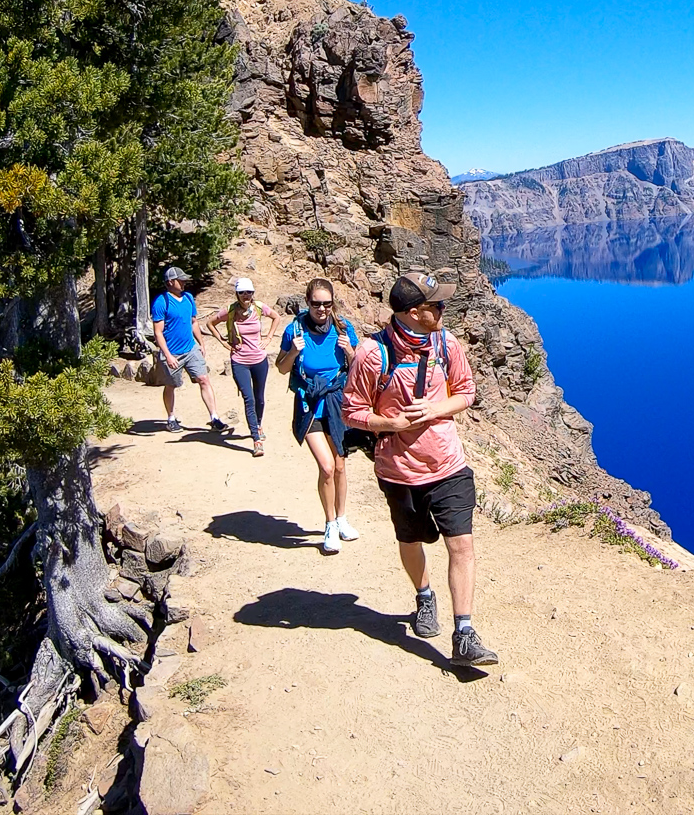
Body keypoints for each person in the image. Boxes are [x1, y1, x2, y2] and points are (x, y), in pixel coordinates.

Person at [342, 271, 498, 668]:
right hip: (399, 472)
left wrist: (434, 409)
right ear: (414, 313)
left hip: (448, 464)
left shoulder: (447, 344)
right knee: (411, 541)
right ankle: (424, 596)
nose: (444, 309)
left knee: (461, 544)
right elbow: (352, 411)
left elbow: (465, 392)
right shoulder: (372, 355)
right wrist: (390, 424)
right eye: (437, 305)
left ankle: (464, 633)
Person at [275, 277, 361, 554]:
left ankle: (342, 517)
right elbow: (281, 368)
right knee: (326, 467)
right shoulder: (295, 330)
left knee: (339, 466)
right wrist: (293, 351)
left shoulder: (343, 328)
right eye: (316, 304)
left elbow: (359, 366)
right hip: (309, 404)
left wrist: (349, 351)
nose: (322, 309)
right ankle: (330, 524)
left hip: (337, 402)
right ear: (307, 302)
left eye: (327, 303)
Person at [204, 278, 279, 456]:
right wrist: (223, 342)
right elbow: (209, 323)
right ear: (237, 294)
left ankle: (258, 425)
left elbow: (276, 317)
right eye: (242, 293)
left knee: (259, 397)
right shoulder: (230, 312)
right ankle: (256, 439)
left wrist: (268, 338)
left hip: (259, 360)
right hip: (239, 361)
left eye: (249, 292)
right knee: (249, 399)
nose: (246, 296)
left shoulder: (259, 308)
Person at [152, 266, 230, 434]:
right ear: (170, 282)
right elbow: (158, 332)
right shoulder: (161, 302)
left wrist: (201, 343)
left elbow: (194, 321)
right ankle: (171, 418)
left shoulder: (188, 298)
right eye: (181, 280)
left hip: (191, 349)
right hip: (172, 353)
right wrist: (168, 356)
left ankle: (214, 418)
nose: (184, 283)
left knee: (204, 379)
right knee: (171, 385)